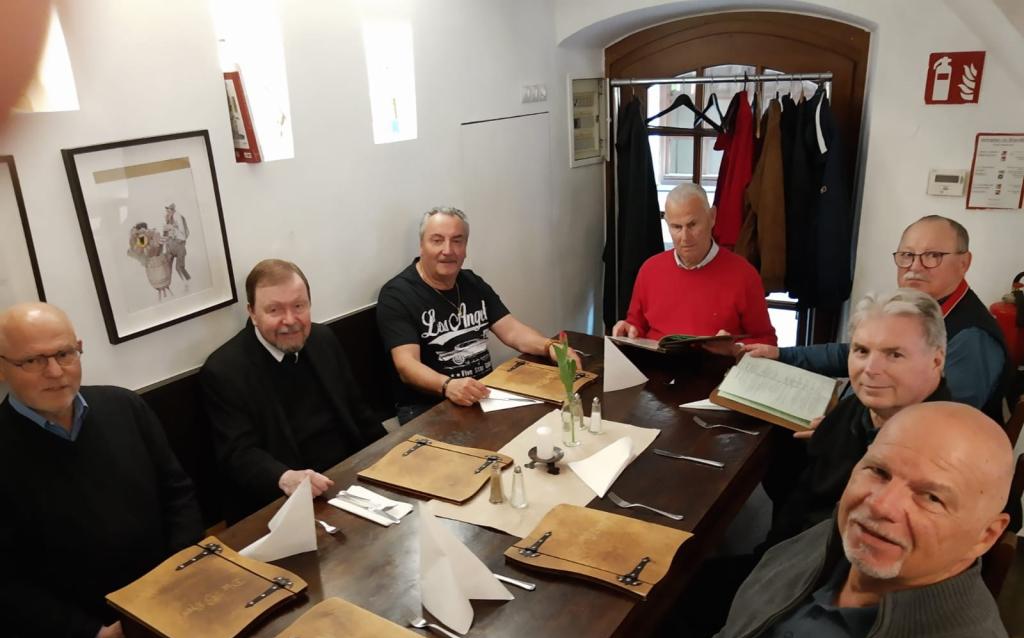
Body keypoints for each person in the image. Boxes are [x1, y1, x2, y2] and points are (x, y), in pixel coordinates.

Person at [630, 401, 1024, 638]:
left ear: (986, 536)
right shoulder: (832, 539)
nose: (880, 506)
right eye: (878, 471)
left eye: (931, 498)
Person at [0, 302, 205, 638]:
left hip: (165, 597)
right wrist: (95, 635)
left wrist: (180, 577)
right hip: (76, 633)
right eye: (33, 360)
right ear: (3, 368)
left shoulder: (123, 406)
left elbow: (178, 493)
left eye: (65, 353)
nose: (55, 371)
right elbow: (7, 585)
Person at [745, 215, 1009, 419]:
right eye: (907, 255)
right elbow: (850, 352)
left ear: (964, 263)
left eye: (933, 256)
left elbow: (937, 423)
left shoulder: (973, 339)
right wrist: (782, 355)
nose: (915, 267)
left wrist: (839, 429)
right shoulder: (918, 309)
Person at [201, 259, 385, 521]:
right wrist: (285, 478)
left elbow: (359, 413)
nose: (290, 320)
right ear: (252, 313)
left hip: (348, 479)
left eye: (299, 306)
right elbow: (238, 454)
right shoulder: (225, 370)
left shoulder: (322, 339)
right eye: (274, 310)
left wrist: (390, 459)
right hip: (283, 501)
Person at [765, 289, 951, 545]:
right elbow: (802, 501)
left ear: (936, 361)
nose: (870, 370)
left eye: (894, 355)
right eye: (861, 351)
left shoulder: (946, 452)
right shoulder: (853, 408)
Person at [377, 206, 580, 423]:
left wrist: (550, 347)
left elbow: (512, 330)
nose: (448, 250)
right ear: (421, 245)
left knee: (557, 419)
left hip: (486, 394)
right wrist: (448, 385)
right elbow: (407, 365)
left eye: (457, 241)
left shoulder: (471, 282)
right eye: (437, 240)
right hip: (429, 406)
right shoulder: (397, 294)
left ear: (465, 247)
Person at [611, 183, 777, 351]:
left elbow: (767, 341)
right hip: (657, 363)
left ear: (712, 217)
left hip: (716, 365)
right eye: (676, 227)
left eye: (692, 225)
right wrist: (628, 329)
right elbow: (636, 325)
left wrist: (734, 349)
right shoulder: (650, 270)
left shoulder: (744, 274)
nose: (685, 237)